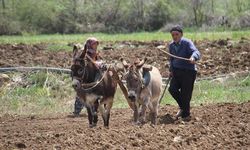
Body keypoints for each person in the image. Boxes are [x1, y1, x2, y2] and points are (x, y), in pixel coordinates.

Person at [167, 25, 201, 121]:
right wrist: (171, 70)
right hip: (176, 72)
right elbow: (171, 59)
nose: (174, 36)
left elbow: (196, 52)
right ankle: (184, 108)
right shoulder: (171, 45)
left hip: (188, 72)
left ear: (181, 34)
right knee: (172, 89)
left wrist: (193, 58)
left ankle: (186, 115)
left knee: (185, 94)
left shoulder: (187, 42)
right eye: (173, 35)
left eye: (176, 34)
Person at [73, 37, 105, 116]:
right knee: (81, 93)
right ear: (89, 45)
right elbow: (87, 63)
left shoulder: (95, 53)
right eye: (94, 44)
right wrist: (95, 63)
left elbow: (98, 61)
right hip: (88, 75)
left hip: (95, 73)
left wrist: (100, 63)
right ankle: (77, 112)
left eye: (96, 44)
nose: (95, 46)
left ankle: (96, 109)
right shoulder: (85, 54)